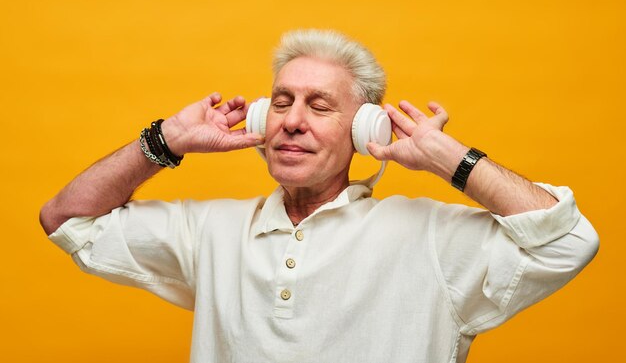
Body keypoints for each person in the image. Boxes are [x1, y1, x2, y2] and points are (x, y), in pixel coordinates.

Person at [40, 29, 599, 363]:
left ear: (366, 132)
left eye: (320, 106)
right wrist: (165, 141)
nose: (293, 122)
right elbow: (66, 219)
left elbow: (567, 241)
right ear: (260, 119)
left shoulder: (432, 237)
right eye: (281, 102)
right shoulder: (208, 232)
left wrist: (450, 160)